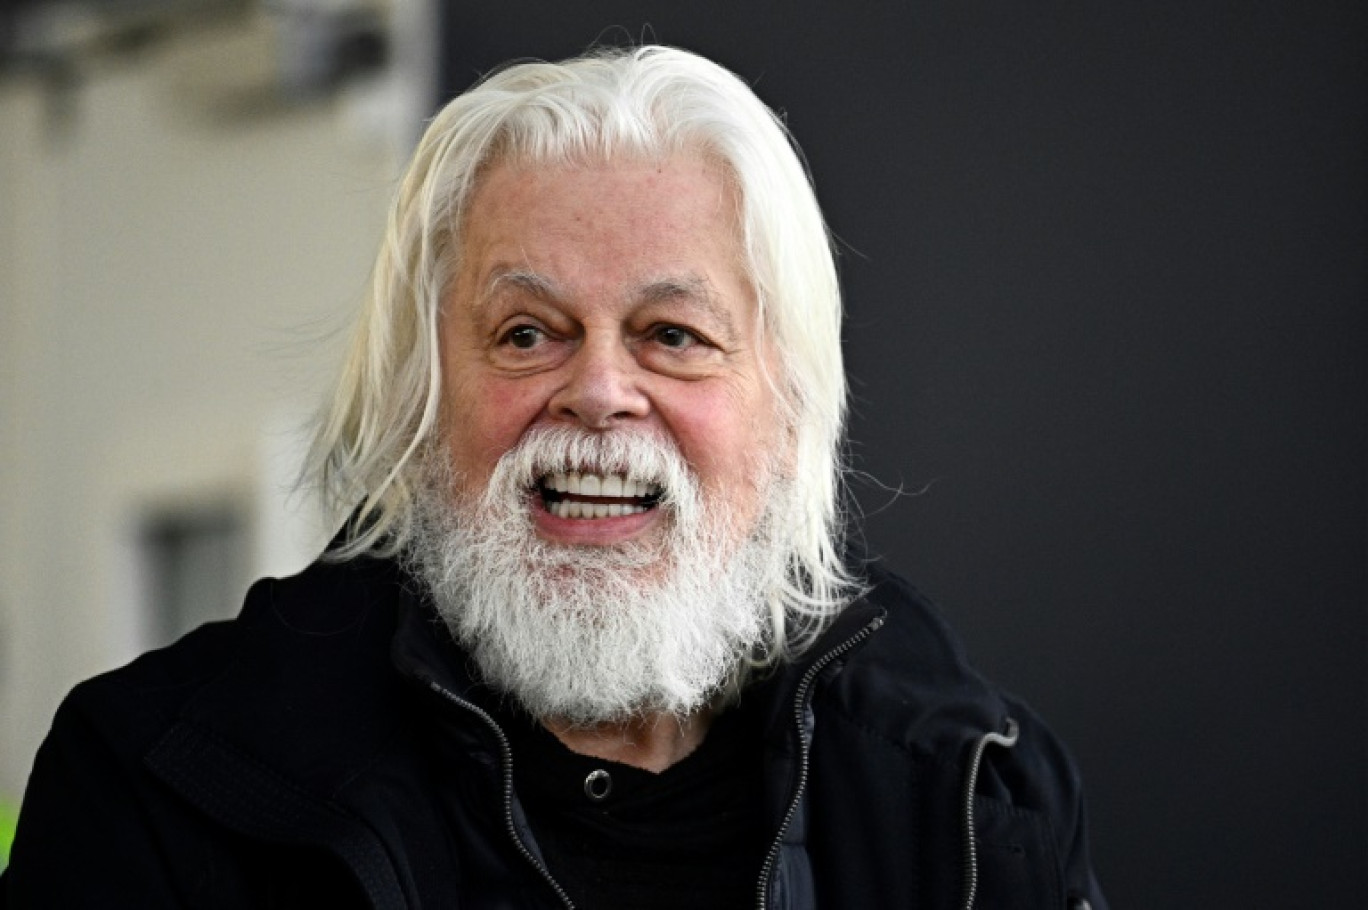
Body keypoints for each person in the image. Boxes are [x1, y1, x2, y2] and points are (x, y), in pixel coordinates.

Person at [2, 45, 1106, 909]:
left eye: (673, 334)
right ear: (421, 395)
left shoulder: (976, 787)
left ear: (789, 412)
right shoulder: (159, 785)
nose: (600, 391)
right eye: (528, 333)